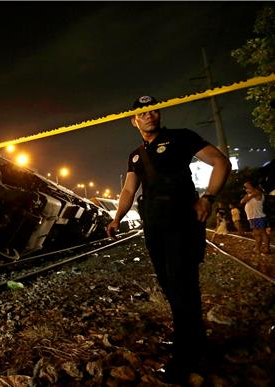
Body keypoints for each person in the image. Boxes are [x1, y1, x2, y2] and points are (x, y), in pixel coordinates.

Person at [106, 95, 231, 383]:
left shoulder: (182, 138)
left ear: (159, 114)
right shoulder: (135, 155)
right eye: (143, 112)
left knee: (182, 283)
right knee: (168, 284)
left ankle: (186, 359)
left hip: (181, 221)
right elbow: (128, 191)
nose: (150, 115)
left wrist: (208, 198)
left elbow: (220, 162)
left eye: (154, 110)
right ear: (134, 120)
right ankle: (192, 340)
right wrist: (116, 218)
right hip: (154, 224)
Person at [240, 180, 271, 254]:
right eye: (245, 186)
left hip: (258, 217)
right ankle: (257, 249)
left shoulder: (257, 192)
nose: (245, 188)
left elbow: (244, 200)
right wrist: (247, 193)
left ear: (252, 186)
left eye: (247, 186)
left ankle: (267, 249)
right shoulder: (250, 194)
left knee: (262, 233)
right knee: (256, 234)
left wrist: (247, 194)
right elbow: (241, 201)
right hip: (253, 217)